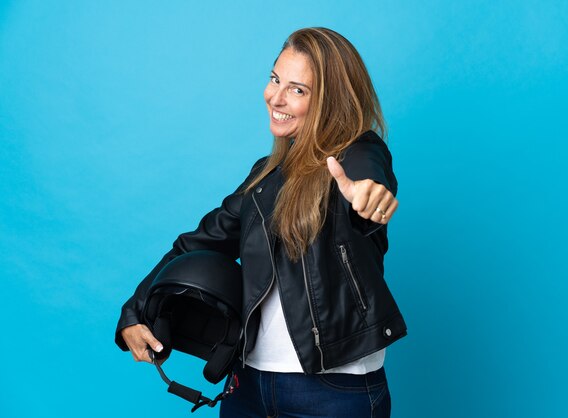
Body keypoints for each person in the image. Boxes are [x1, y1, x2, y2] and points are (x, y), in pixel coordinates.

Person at [115, 27, 407, 418]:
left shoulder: (359, 153)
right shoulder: (266, 177)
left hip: (334, 390)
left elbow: (369, 183)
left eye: (298, 89)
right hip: (248, 384)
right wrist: (135, 310)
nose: (276, 97)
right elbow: (197, 244)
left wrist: (371, 198)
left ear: (330, 101)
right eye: (274, 80)